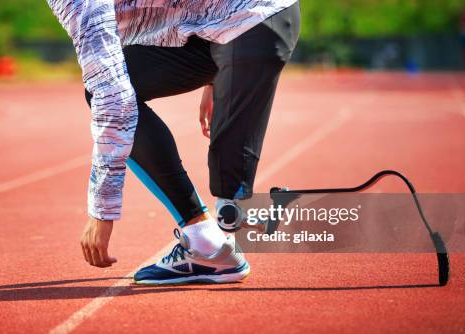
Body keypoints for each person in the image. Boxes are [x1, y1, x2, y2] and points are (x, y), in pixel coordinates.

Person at [47, 0, 300, 284]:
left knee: (108, 95)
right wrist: (217, 77)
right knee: (123, 81)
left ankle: (210, 242)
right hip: (221, 27)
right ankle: (205, 241)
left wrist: (102, 212)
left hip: (251, 22)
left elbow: (112, 98)